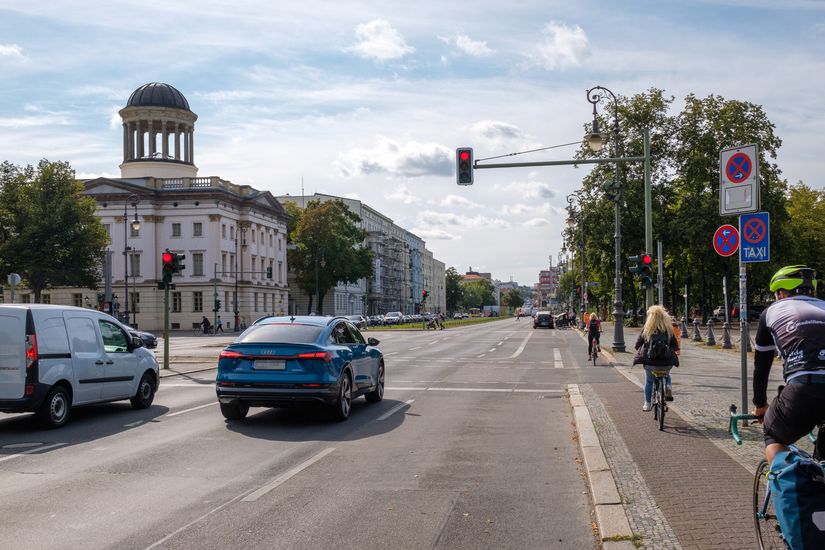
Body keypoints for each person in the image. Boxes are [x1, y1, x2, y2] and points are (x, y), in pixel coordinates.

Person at [752, 265, 825, 465]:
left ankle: (785, 490)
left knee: (773, 434)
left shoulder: (771, 312)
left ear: (781, 293)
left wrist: (760, 405)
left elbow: (762, 365)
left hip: (803, 390)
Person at [633, 305, 680, 411]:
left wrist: (639, 348)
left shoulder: (647, 329)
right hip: (666, 362)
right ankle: (667, 386)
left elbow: (637, 344)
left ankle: (647, 403)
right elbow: (675, 346)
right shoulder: (668, 330)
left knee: (649, 381)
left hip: (650, 363)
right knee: (667, 375)